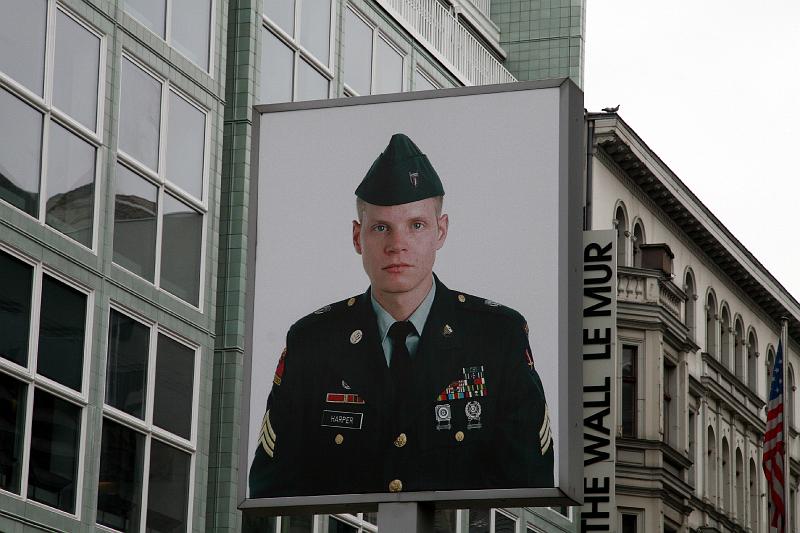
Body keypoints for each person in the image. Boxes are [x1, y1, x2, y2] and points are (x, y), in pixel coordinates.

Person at [249, 133, 553, 498]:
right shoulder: (313, 343)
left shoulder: (497, 337)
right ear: (357, 237)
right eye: (381, 228)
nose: (397, 245)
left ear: (441, 231)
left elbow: (529, 489)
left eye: (416, 225)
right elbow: (273, 493)